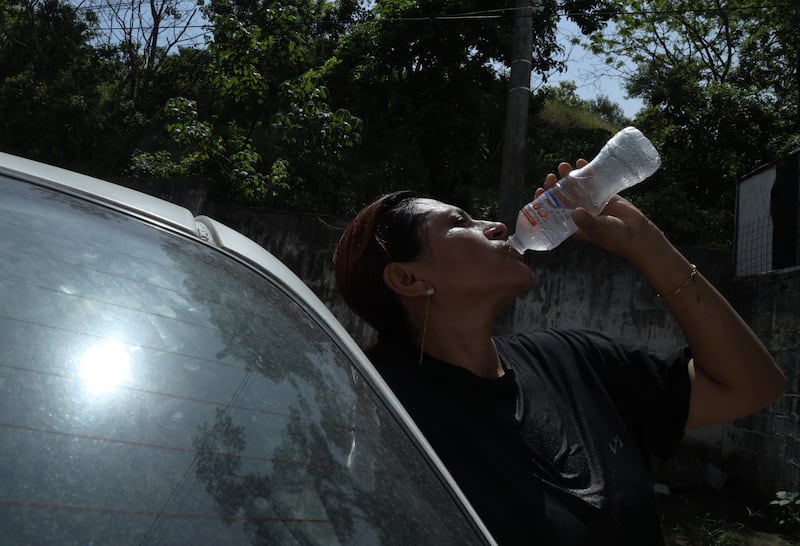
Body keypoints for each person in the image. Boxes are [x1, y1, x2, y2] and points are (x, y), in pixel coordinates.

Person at [332, 160, 786, 545]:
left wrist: (645, 242)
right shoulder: (393, 422)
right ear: (408, 280)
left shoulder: (573, 359)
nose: (496, 226)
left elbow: (752, 386)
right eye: (459, 223)